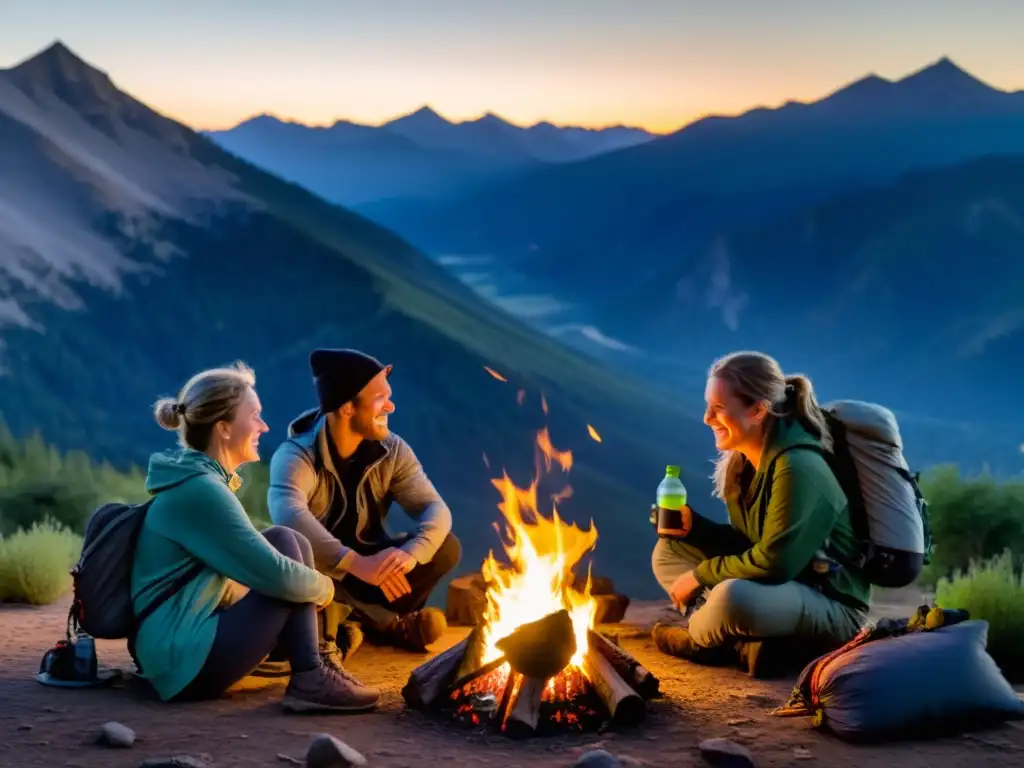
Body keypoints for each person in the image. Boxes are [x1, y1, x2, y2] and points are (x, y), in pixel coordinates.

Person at [130, 361, 381, 712]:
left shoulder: (196, 484)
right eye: (255, 415)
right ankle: (313, 674)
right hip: (181, 661)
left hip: (171, 651)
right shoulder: (201, 491)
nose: (264, 426)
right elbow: (277, 576)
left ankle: (316, 665)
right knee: (286, 560)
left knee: (285, 540)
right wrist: (326, 591)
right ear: (224, 429)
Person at [650, 351, 870, 678]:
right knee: (668, 551)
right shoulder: (744, 464)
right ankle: (747, 640)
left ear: (757, 410)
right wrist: (696, 530)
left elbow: (774, 562)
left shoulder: (798, 467)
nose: (707, 418)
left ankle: (703, 639)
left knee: (731, 598)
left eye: (718, 408)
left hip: (832, 605)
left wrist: (700, 575)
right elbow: (749, 543)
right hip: (780, 590)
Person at [267, 348, 461, 657]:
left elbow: (435, 509)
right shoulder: (296, 456)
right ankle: (386, 624)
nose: (391, 406)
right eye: (380, 398)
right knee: (291, 556)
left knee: (445, 547)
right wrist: (355, 564)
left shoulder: (392, 450)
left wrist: (411, 554)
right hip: (324, 573)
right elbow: (288, 515)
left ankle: (352, 621)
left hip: (375, 573)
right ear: (346, 408)